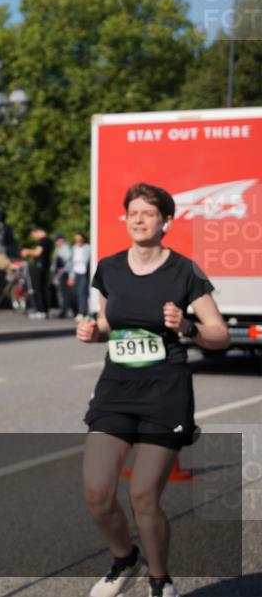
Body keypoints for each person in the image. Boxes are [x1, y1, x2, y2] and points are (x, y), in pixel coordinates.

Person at [76, 183, 229, 597]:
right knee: (96, 490)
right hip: (116, 390)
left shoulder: (186, 271)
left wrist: (187, 327)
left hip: (166, 394)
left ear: (167, 221)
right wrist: (93, 332)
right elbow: (109, 323)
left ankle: (159, 580)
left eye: (148, 213)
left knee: (143, 495)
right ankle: (126, 559)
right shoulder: (108, 268)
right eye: (133, 213)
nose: (139, 219)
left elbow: (219, 335)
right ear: (124, 218)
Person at [20, 226, 53, 319]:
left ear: (38, 232)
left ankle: (41, 310)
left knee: (37, 288)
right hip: (43, 267)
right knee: (42, 288)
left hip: (40, 267)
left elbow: (38, 252)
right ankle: (44, 310)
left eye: (33, 235)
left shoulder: (44, 241)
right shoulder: (47, 241)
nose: (34, 237)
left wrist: (27, 251)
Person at [68, 231, 92, 320]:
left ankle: (83, 312)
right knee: (76, 293)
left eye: (79, 239)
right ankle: (80, 311)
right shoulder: (74, 248)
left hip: (84, 272)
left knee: (83, 292)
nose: (78, 241)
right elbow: (71, 263)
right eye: (76, 240)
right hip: (76, 272)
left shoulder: (88, 248)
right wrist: (71, 276)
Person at [53, 233, 73, 318]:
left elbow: (68, 261)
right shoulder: (59, 248)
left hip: (64, 273)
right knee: (61, 293)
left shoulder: (66, 248)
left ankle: (64, 311)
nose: (56, 242)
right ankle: (63, 310)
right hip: (60, 273)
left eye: (57, 240)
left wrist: (64, 269)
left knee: (64, 293)